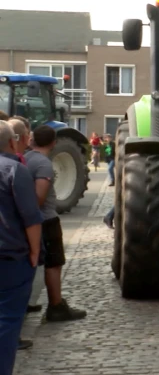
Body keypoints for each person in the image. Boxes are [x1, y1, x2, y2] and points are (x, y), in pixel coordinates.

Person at [25, 125, 87, 323]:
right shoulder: (44, 164)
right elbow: (39, 199)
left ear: (32, 139)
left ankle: (26, 302)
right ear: (53, 143)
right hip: (46, 220)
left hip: (30, 221)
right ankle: (56, 305)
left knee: (29, 263)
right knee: (54, 263)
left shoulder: (24, 159)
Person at [0, 120, 43, 374]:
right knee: (7, 322)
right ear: (13, 141)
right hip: (11, 258)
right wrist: (35, 251)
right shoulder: (16, 171)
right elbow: (31, 217)